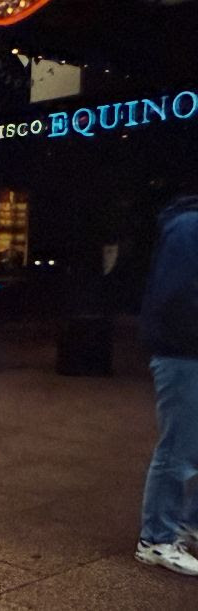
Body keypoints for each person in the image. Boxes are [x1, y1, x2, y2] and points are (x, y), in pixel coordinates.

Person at [134, 194, 198, 577]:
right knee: (177, 449)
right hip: (184, 353)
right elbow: (177, 297)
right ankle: (156, 539)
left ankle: (185, 525)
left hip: (185, 349)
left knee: (188, 445)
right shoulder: (189, 226)